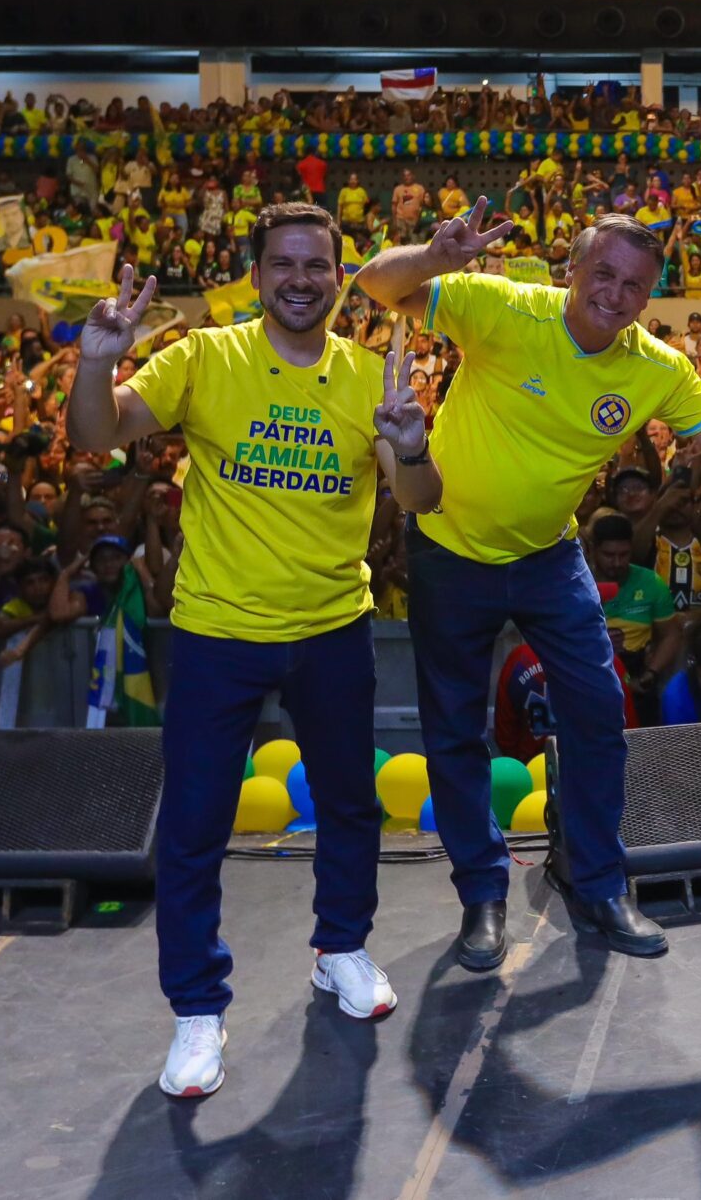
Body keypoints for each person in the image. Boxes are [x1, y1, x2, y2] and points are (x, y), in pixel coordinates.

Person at [66, 203, 440, 1101]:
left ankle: (340, 946)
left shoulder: (367, 377)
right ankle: (198, 1007)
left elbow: (421, 500)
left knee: (350, 805)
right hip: (215, 634)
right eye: (284, 263)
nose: (302, 279)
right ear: (259, 272)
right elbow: (96, 433)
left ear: (341, 274)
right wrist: (94, 360)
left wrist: (413, 446)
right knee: (194, 828)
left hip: (331, 630)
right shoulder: (204, 358)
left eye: (318, 264)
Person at [356, 208, 701, 970]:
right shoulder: (500, 307)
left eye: (634, 284)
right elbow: (375, 283)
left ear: (649, 296)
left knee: (599, 708)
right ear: (572, 269)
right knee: (456, 729)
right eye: (604, 274)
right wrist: (433, 254)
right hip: (448, 551)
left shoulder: (657, 367)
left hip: (547, 556)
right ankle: (482, 895)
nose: (616, 293)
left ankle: (597, 879)